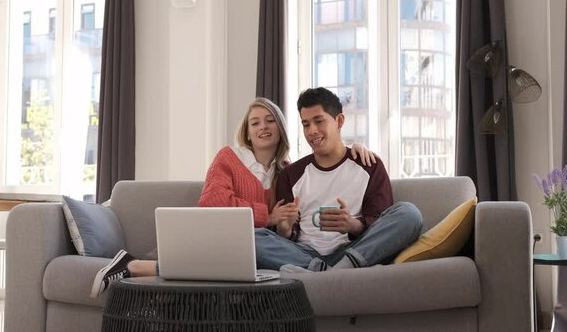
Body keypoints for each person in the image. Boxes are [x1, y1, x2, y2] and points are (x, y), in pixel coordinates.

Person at [90, 97, 377, 298]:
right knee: (246, 242)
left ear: (280, 128)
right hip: (219, 241)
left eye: (269, 121)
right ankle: (134, 265)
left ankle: (137, 266)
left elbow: (287, 230)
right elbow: (211, 204)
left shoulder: (288, 173)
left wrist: (352, 147)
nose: (263, 127)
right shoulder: (228, 157)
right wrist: (268, 216)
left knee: (255, 243)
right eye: (255, 123)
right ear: (248, 132)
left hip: (258, 251)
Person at [254, 87, 423, 272]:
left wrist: (353, 224)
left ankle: (340, 269)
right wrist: (285, 229)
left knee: (409, 213)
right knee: (252, 238)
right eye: (306, 124)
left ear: (339, 121)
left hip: (352, 250)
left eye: (319, 121)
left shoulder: (369, 165)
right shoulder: (291, 174)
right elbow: (288, 234)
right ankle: (324, 272)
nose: (312, 131)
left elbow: (380, 220)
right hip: (304, 253)